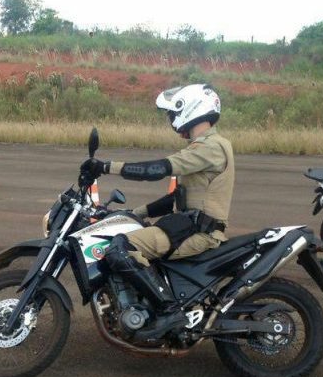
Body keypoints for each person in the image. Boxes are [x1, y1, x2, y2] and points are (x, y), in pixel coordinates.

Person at [79, 83, 234, 311]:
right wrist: (131, 213)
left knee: (120, 248)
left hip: (199, 232)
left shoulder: (210, 147)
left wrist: (106, 167)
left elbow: (158, 169)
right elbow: (174, 200)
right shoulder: (207, 146)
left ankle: (166, 310)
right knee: (133, 231)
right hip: (189, 225)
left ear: (190, 108)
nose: (171, 119)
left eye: (173, 113)